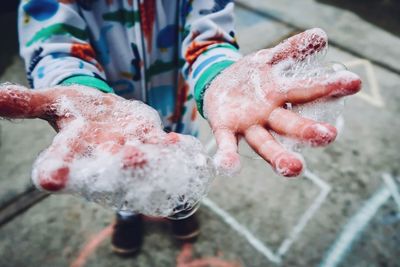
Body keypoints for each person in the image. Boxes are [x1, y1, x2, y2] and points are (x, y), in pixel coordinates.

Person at [1, 0, 360, 256]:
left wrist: (217, 76)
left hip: (182, 98)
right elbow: (52, 38)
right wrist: (75, 85)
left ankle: (180, 205)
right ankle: (128, 214)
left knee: (182, 158)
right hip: (109, 110)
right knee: (122, 167)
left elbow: (209, 29)